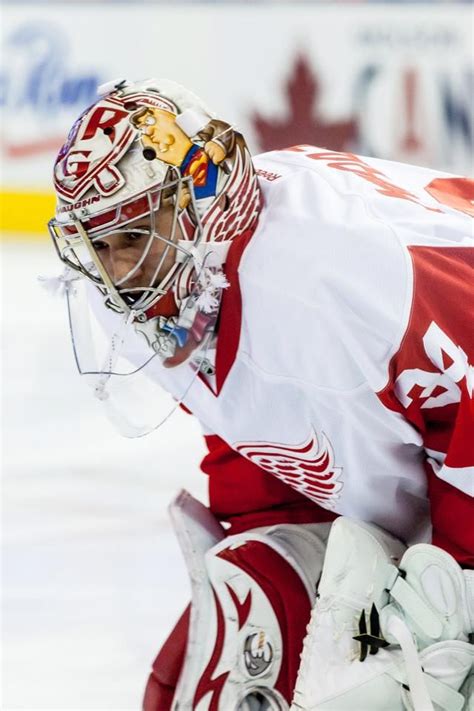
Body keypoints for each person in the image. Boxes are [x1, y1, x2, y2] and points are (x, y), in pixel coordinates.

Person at [48, 78, 473, 710]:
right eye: (100, 245)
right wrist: (270, 538)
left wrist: (451, 582)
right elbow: (244, 410)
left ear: (201, 194)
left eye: (136, 236)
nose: (119, 274)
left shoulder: (336, 280)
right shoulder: (162, 286)